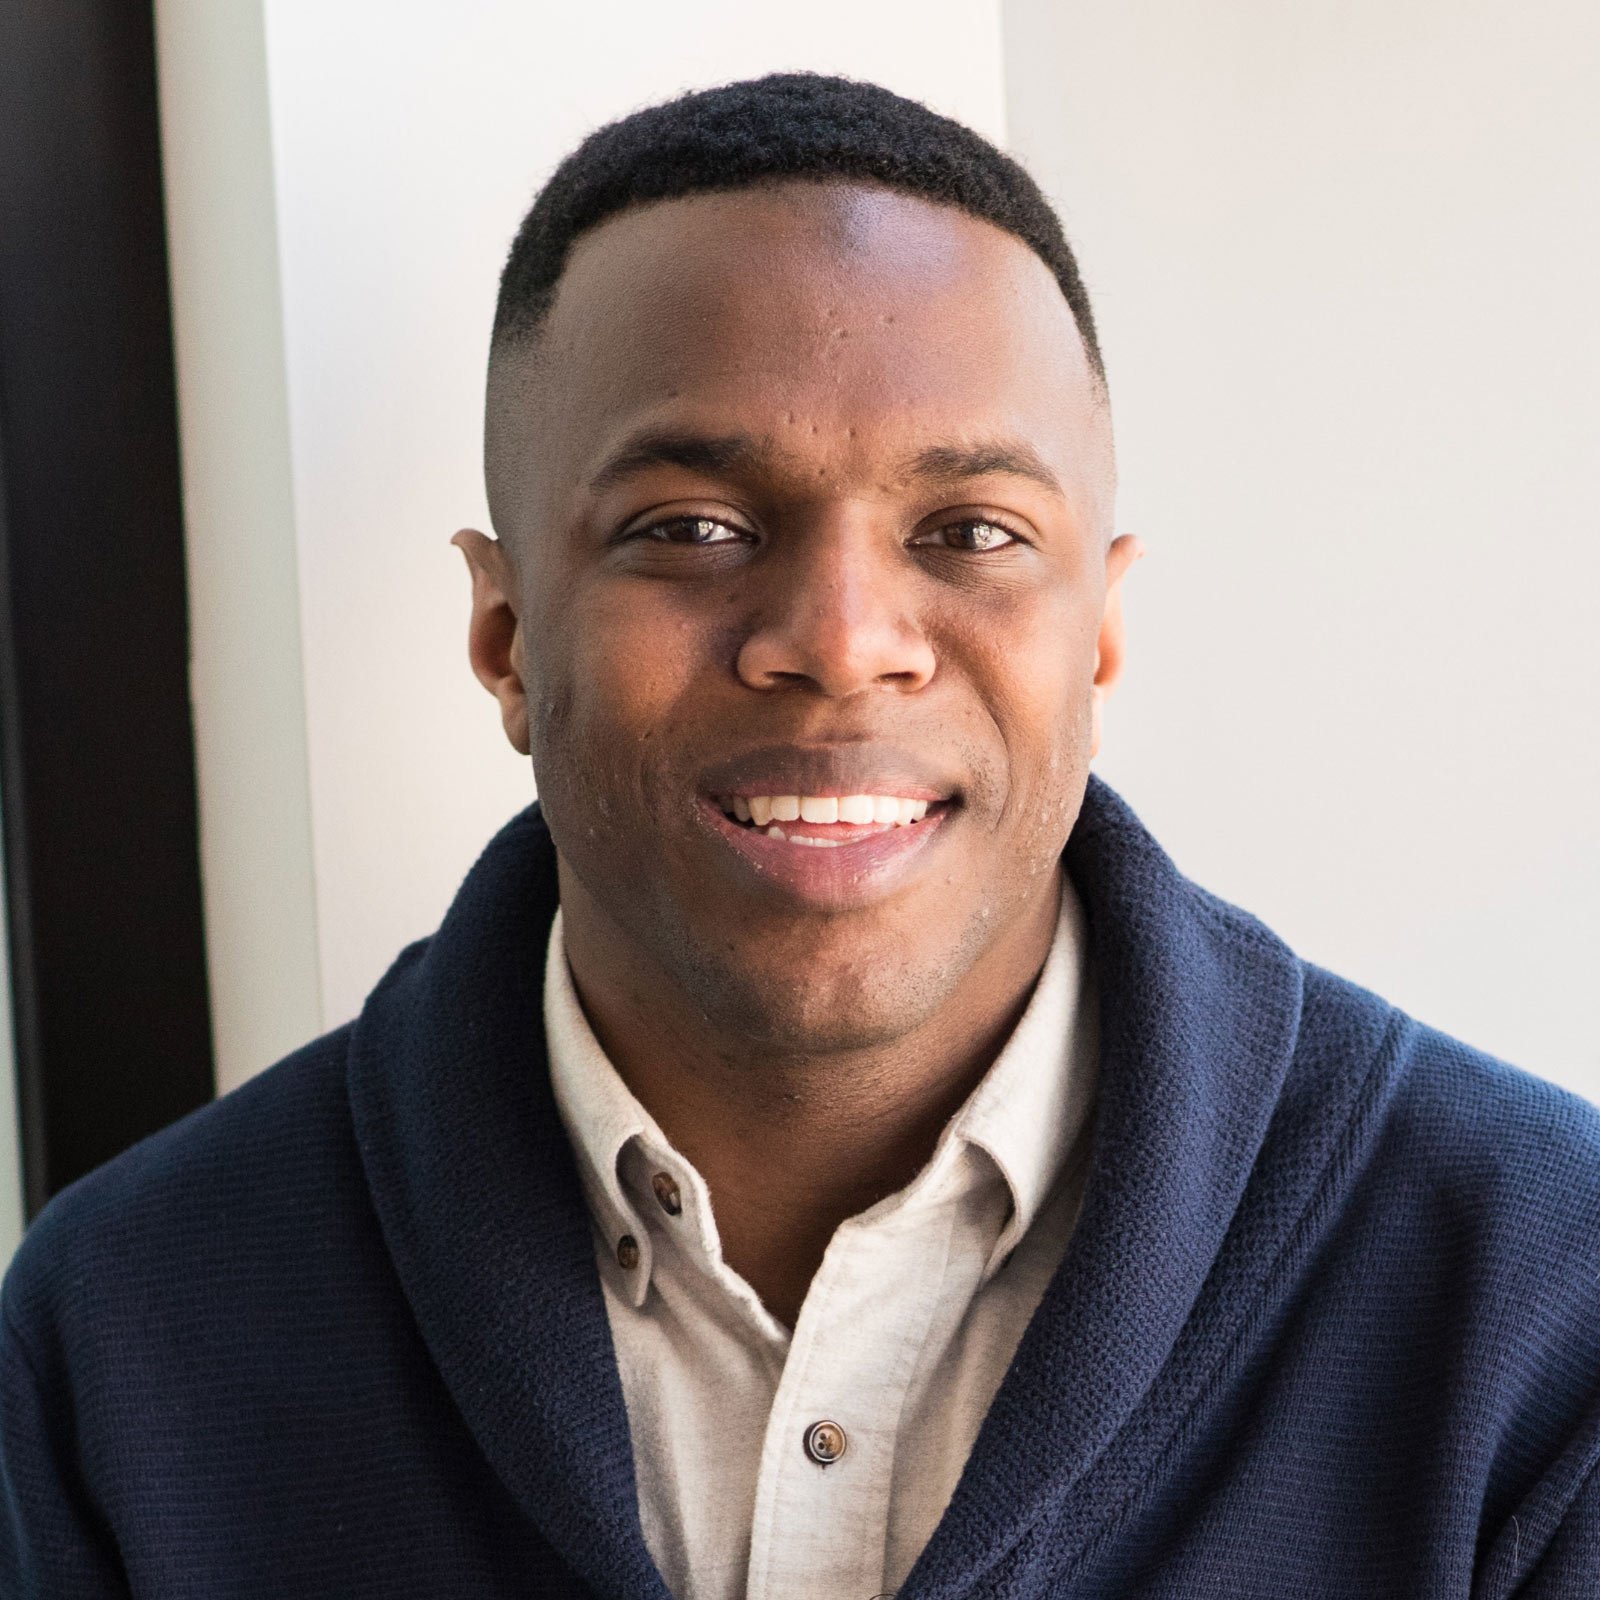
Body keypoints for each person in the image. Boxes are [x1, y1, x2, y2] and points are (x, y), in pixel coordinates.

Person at [2, 72, 1597, 1600]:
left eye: (970, 531)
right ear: (505, 638)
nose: (841, 641)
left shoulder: (1540, 1298)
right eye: (694, 528)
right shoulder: (125, 1339)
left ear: (1100, 636)